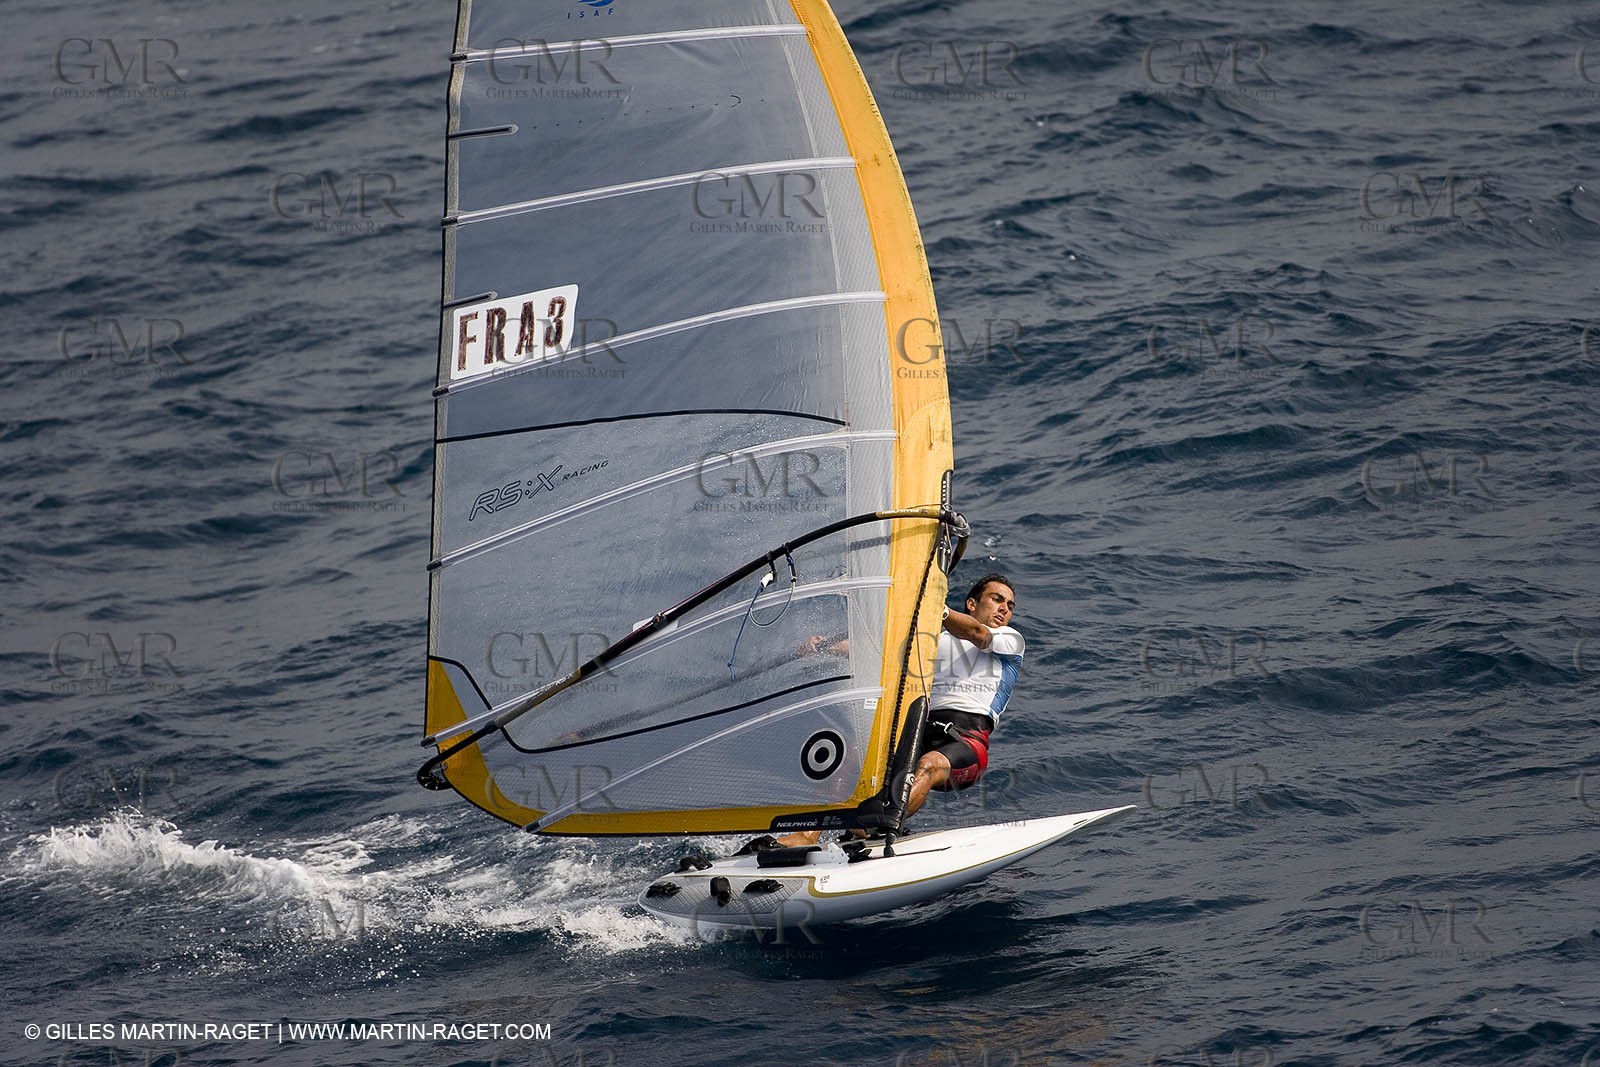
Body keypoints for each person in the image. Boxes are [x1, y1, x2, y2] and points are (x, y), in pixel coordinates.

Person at [765, 573, 1023, 849]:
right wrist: (824, 646)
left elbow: (977, 633)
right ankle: (809, 834)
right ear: (972, 603)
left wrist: (938, 610)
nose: (1004, 608)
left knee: (928, 765)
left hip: (967, 744)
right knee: (852, 755)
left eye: (1009, 604)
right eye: (997, 599)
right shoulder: (933, 640)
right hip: (920, 730)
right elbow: (879, 652)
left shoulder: (1010, 640)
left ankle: (876, 827)